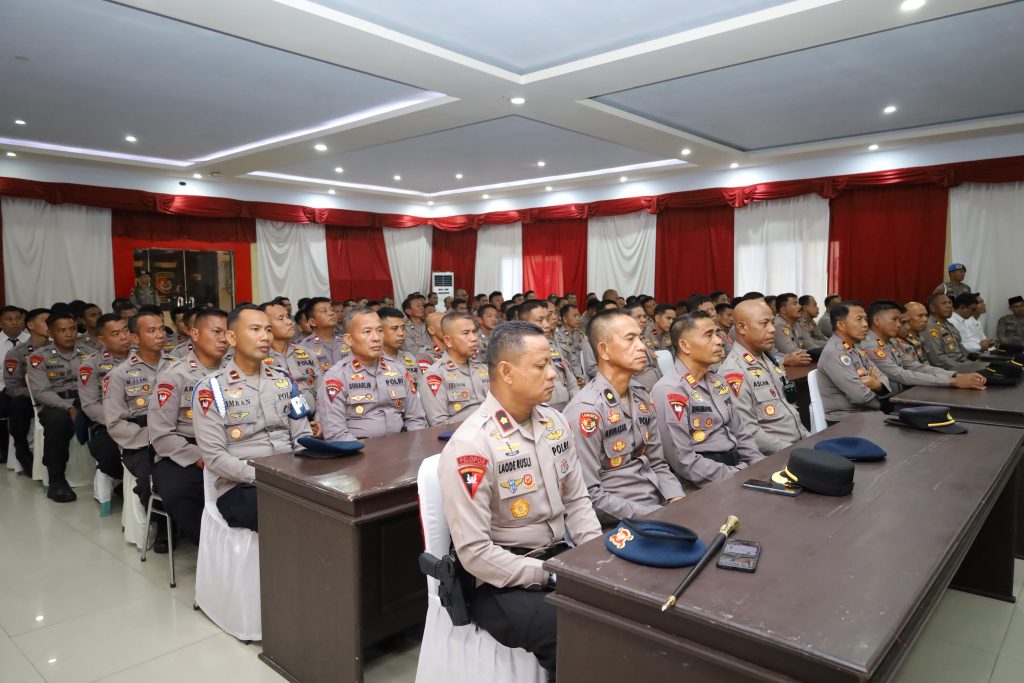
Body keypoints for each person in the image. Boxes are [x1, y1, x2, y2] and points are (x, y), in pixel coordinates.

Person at [438, 321, 601, 678]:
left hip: (560, 557)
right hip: (500, 581)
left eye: (551, 363)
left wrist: (594, 559)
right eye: (540, 365)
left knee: (621, 615)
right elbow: (475, 553)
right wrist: (550, 576)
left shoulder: (555, 423)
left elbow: (577, 501)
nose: (553, 374)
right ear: (507, 372)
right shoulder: (472, 446)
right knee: (576, 634)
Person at [192, 306, 312, 531]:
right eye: (255, 329)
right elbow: (215, 457)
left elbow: (303, 436)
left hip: (290, 478)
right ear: (231, 337)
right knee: (286, 514)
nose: (265, 337)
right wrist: (266, 476)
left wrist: (301, 473)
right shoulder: (211, 388)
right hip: (241, 485)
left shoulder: (284, 380)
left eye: (268, 330)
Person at [563, 309, 683, 524]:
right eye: (630, 339)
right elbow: (589, 495)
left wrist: (677, 500)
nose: (642, 346)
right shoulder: (586, 410)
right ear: (604, 350)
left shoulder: (640, 396)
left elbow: (657, 463)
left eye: (640, 338)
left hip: (658, 504)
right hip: (619, 519)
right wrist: (653, 515)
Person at [651, 312, 763, 489]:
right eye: (708, 335)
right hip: (704, 483)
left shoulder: (718, 381)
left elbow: (741, 433)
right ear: (685, 346)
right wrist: (740, 474)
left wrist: (760, 465)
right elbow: (684, 462)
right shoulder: (669, 390)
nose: (719, 341)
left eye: (717, 333)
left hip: (737, 467)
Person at [149, 308, 229, 545]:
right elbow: (161, 433)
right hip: (187, 451)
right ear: (194, 334)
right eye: (216, 332)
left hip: (231, 444)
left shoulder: (235, 371)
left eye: (227, 333)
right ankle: (209, 548)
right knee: (180, 491)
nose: (223, 339)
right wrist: (198, 457)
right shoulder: (174, 375)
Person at [318, 307, 426, 440]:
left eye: (380, 330)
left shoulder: (398, 369)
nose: (376, 338)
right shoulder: (336, 377)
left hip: (402, 444)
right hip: (359, 449)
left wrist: (413, 446)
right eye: (367, 332)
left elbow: (416, 419)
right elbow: (336, 434)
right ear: (349, 339)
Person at [103, 310, 170, 525]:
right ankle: (161, 526)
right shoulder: (118, 375)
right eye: (151, 331)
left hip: (177, 433)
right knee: (152, 478)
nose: (160, 335)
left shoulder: (179, 366)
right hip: (141, 440)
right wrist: (152, 436)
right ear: (135, 337)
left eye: (161, 329)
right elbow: (115, 423)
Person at [718, 300, 808, 455]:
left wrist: (809, 440)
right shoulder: (733, 372)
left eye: (772, 323)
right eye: (764, 323)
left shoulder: (767, 358)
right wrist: (796, 451)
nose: (772, 329)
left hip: (798, 443)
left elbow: (789, 410)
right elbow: (749, 433)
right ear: (742, 327)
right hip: (775, 456)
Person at [26, 310, 92, 502]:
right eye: (62, 330)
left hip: (86, 401)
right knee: (57, 422)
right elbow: (41, 392)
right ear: (50, 333)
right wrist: (68, 408)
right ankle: (57, 480)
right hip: (55, 405)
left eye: (72, 329)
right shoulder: (39, 358)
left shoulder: (89, 353)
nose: (69, 334)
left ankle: (115, 475)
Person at [863, 300, 986, 394]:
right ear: (877, 320)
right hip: (886, 401)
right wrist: (952, 381)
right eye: (895, 319)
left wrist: (955, 375)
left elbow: (915, 366)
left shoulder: (890, 342)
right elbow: (901, 375)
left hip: (903, 393)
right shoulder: (870, 345)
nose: (899, 325)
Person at [78, 314, 133, 481]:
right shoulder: (90, 365)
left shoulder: (145, 356)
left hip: (146, 419)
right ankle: (126, 485)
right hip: (108, 423)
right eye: (116, 334)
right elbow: (90, 405)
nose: (124, 337)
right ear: (102, 340)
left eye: (126, 330)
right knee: (109, 456)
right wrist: (120, 420)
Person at [816, 301, 891, 423]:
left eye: (865, 319)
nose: (865, 324)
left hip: (867, 414)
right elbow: (860, 396)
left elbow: (882, 376)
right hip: (846, 420)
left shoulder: (856, 347)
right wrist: (881, 399)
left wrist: (877, 385)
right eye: (859, 319)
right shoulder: (835, 353)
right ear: (841, 325)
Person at [418, 312, 490, 425]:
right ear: (448, 341)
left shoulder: (484, 369)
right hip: (460, 434)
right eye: (466, 333)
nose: (474, 338)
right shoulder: (435, 376)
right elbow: (439, 425)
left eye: (474, 332)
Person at [4, 307, 49, 474]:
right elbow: (13, 387)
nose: (51, 324)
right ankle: (22, 450)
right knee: (17, 404)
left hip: (58, 395)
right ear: (30, 325)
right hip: (30, 397)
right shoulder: (16, 353)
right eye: (46, 321)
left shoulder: (57, 349)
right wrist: (37, 394)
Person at [260, 301, 320, 413]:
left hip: (314, 420)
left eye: (288, 317)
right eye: (281, 318)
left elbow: (321, 392)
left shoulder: (307, 353)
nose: (290, 322)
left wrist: (319, 419)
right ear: (265, 326)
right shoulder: (259, 358)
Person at [518, 300, 578, 403]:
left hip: (566, 408)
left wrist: (575, 406)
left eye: (547, 319)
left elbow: (572, 384)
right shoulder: (518, 354)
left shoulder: (552, 349)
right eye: (540, 320)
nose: (546, 325)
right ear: (524, 324)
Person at [920, 294, 988, 372]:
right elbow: (938, 360)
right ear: (932, 308)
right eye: (944, 303)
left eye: (950, 303)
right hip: (950, 370)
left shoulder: (948, 324)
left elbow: (961, 349)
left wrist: (976, 359)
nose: (949, 306)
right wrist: (967, 366)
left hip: (963, 363)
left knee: (991, 366)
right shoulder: (929, 326)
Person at [301, 297, 349, 373]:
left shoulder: (347, 341)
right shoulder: (304, 347)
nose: (331, 313)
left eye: (332, 310)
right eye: (324, 311)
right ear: (312, 322)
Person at [378, 306, 422, 381]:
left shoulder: (409, 357)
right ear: (380, 331)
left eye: (403, 328)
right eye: (395, 328)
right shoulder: (372, 361)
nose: (401, 333)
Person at [555, 303, 586, 378]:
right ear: (565, 319)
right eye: (575, 316)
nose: (578, 318)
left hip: (583, 374)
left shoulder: (580, 335)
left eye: (579, 315)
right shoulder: (558, 336)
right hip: (568, 375)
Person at [401, 294, 432, 359]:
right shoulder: (405, 330)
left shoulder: (428, 326)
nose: (422, 308)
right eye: (418, 306)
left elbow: (437, 346)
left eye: (422, 305)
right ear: (408, 311)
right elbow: (412, 352)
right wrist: (431, 351)